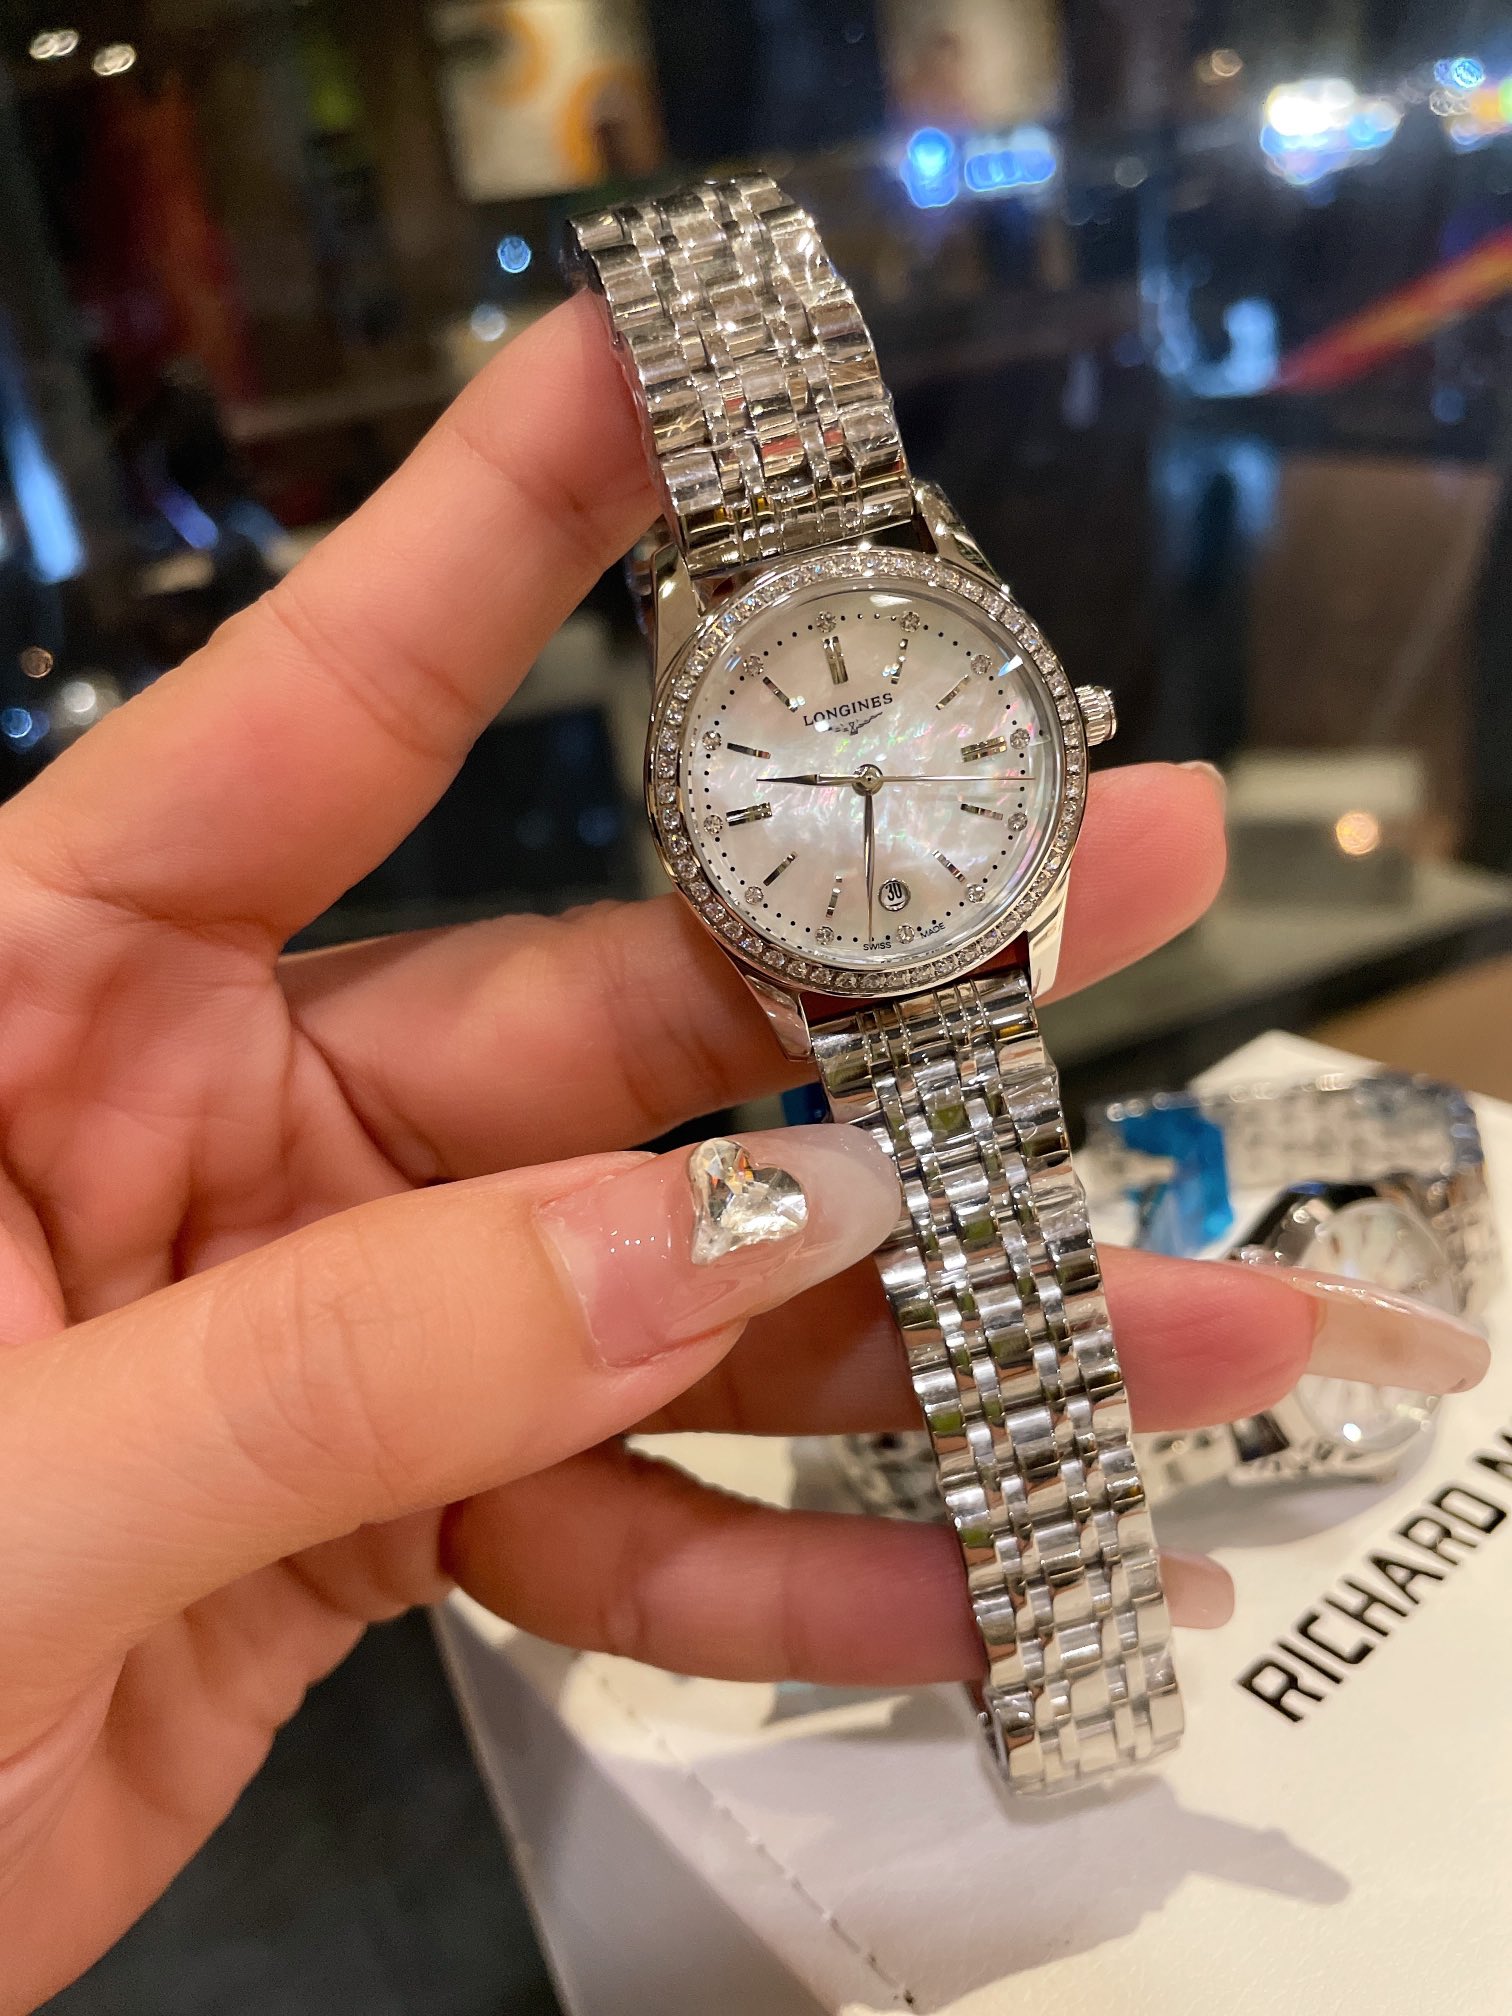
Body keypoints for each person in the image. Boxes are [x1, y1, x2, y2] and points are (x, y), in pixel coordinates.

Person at [0, 295, 1486, 2012]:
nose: (859, 783)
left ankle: (1078, 1685)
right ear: (691, 817)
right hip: (865, 984)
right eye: (787, 778)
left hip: (962, 950)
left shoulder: (906, 601)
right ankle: (1076, 1680)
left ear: (1042, 723)